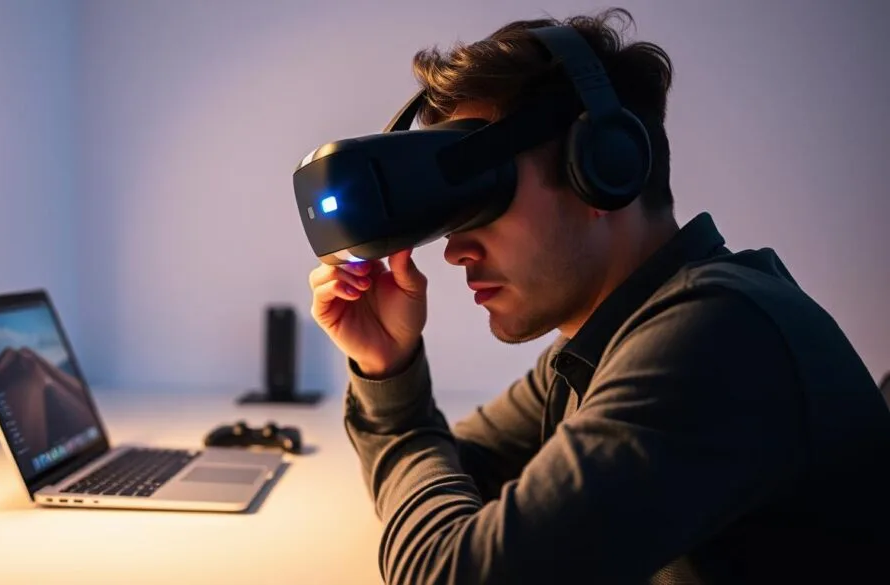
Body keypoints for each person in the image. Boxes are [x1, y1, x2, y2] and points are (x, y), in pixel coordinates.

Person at [306, 8, 890, 584]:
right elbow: (461, 469)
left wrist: (405, 432)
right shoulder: (606, 341)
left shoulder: (718, 336)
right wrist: (390, 366)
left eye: (479, 198)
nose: (454, 250)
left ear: (603, 167)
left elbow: (445, 571)